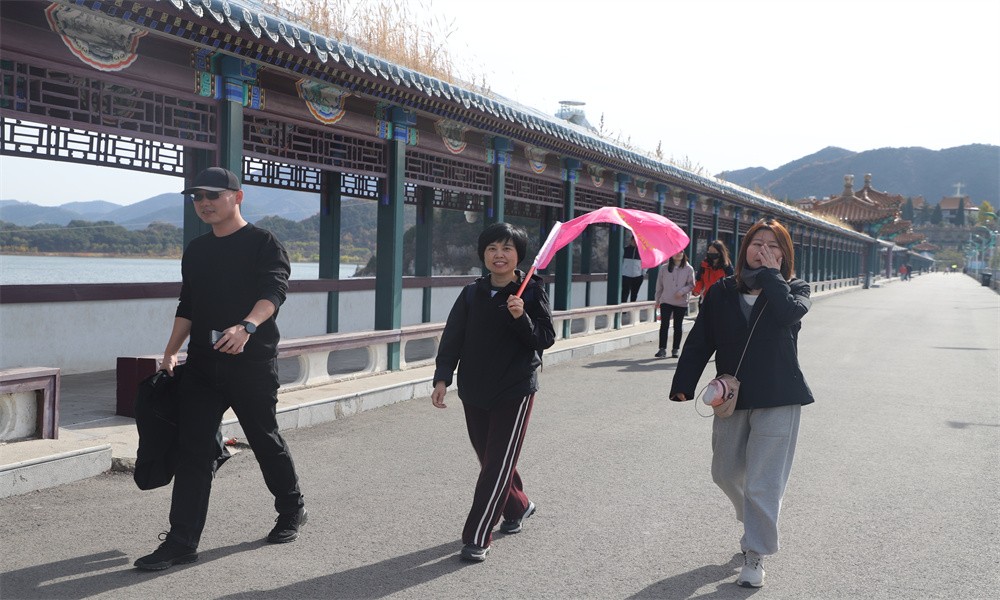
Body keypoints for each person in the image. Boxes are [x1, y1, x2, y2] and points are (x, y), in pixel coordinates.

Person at [134, 167, 306, 571]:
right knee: (193, 450)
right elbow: (188, 304)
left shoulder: (264, 243)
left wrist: (247, 326)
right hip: (202, 366)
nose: (204, 203)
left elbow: (274, 291)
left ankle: (291, 508)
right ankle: (181, 542)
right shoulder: (196, 250)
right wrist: (171, 351)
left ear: (237, 197)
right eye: (197, 197)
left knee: (263, 439)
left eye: (213, 195)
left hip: (251, 364)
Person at [669, 218, 813, 589]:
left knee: (764, 482)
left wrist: (772, 277)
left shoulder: (795, 288)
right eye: (756, 243)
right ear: (744, 248)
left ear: (785, 254)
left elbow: (788, 315)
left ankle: (755, 554)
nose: (763, 250)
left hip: (780, 396)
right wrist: (683, 384)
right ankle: (752, 515)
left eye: (773, 245)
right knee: (724, 472)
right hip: (732, 397)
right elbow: (701, 339)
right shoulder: (721, 291)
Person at [431, 222, 556, 562]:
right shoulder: (472, 293)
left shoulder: (531, 291)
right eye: (492, 249)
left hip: (514, 389)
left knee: (497, 463)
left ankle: (477, 536)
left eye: (506, 249)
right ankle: (518, 506)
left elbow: (545, 338)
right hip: (474, 388)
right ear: (483, 254)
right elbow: (453, 336)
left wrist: (521, 317)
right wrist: (442, 378)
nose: (498, 255)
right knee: (491, 461)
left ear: (519, 255)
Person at [653, 251, 695, 358]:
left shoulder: (689, 269)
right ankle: (662, 349)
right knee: (664, 325)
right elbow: (659, 285)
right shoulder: (664, 268)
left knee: (678, 326)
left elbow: (691, 284)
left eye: (681, 252)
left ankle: (675, 349)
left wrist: (681, 292)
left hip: (681, 302)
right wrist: (657, 300)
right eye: (676, 252)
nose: (678, 254)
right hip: (666, 300)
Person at [621, 233, 644, 302]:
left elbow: (646, 263)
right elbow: (621, 262)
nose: (635, 242)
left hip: (638, 276)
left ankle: (633, 307)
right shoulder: (625, 250)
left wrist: (643, 273)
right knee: (624, 293)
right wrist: (622, 271)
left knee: (634, 294)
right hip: (626, 275)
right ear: (631, 240)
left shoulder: (642, 251)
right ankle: (623, 308)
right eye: (634, 240)